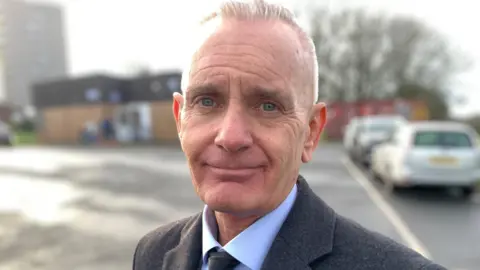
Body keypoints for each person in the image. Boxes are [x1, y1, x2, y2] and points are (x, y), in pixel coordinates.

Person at [132, 1, 446, 269]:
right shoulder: (153, 252)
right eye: (207, 101)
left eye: (268, 106)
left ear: (311, 132)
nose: (230, 136)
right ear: (180, 118)